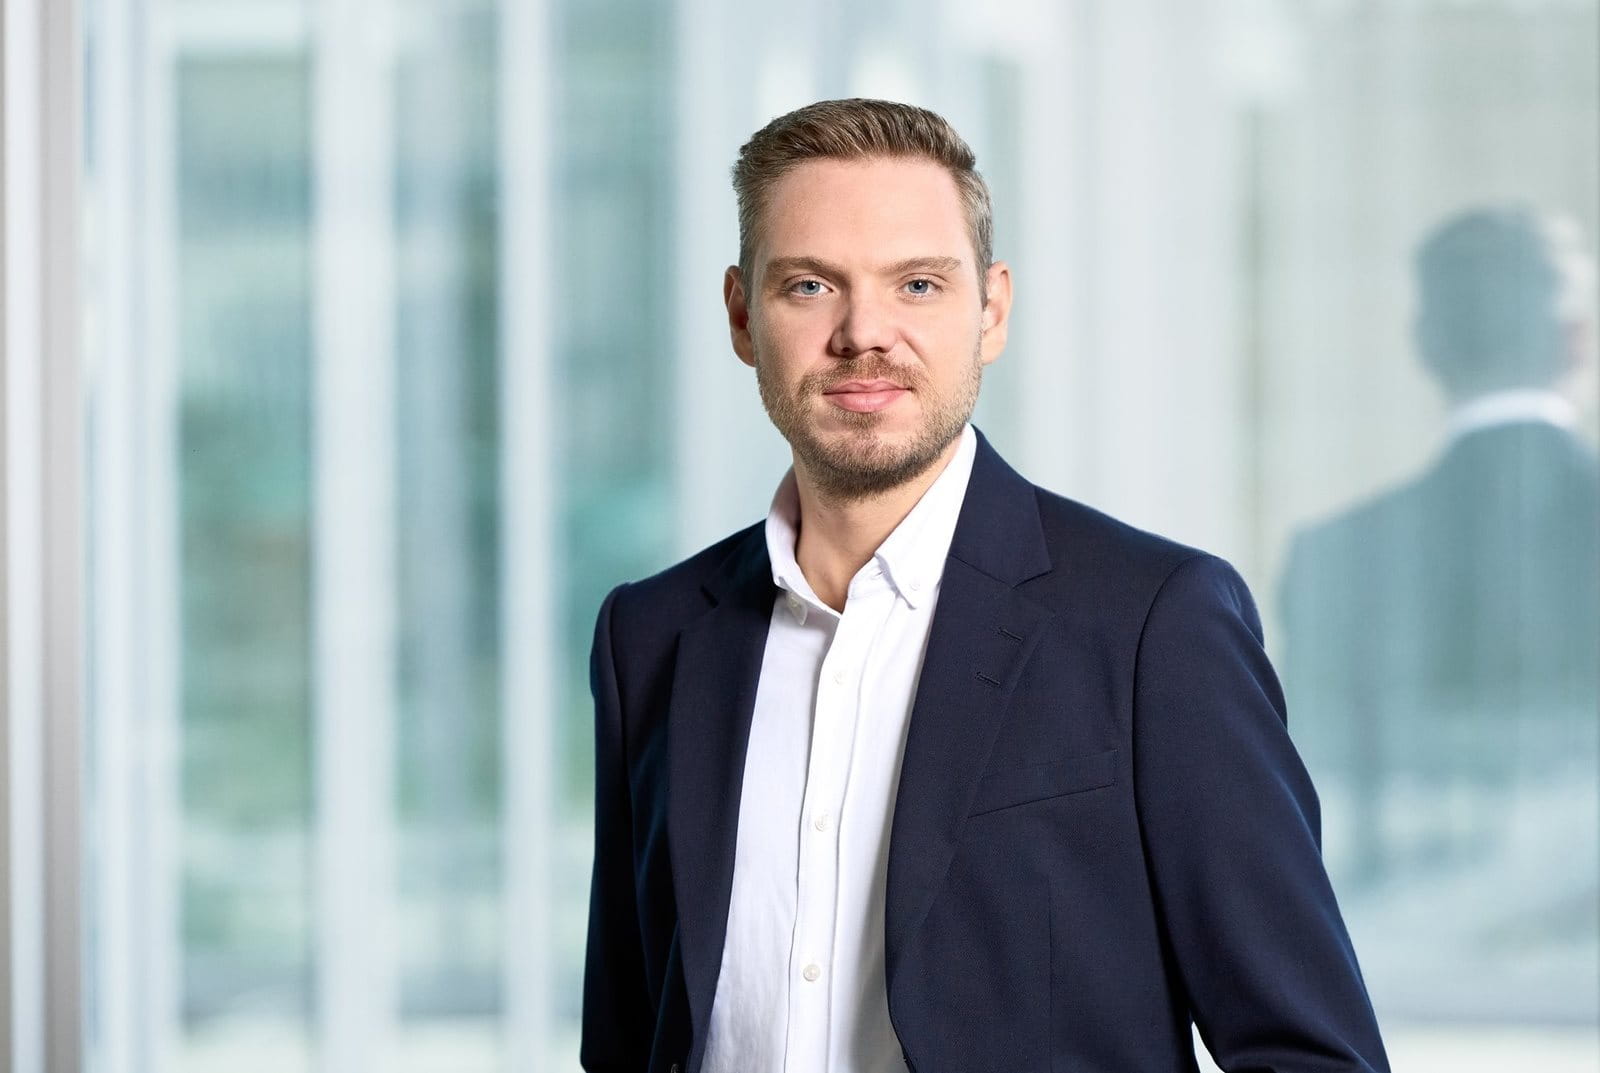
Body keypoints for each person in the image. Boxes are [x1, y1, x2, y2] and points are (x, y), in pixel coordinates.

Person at [582, 98, 1388, 1073]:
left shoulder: (1149, 624)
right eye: (808, 285)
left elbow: (1313, 1052)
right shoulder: (651, 636)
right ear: (743, 315)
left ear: (991, 309)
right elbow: (626, 1041)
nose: (863, 333)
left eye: (916, 283)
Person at [1280, 209, 1598, 927]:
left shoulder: (1338, 557)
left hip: (1411, 963)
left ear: (1427, 349)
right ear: (1576, 341)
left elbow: (1308, 819)